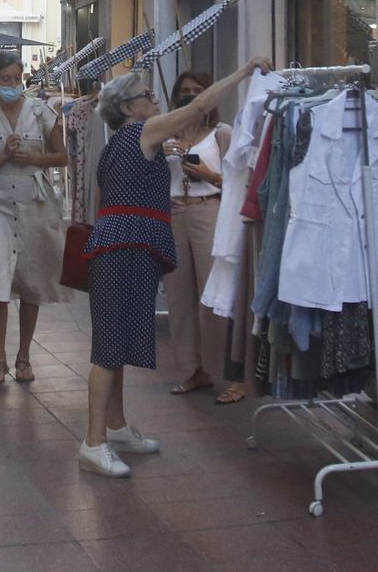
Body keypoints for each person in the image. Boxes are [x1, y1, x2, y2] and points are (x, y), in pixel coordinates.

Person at [77, 58, 272, 478]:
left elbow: (106, 197)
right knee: (109, 347)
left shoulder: (119, 145)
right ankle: (93, 442)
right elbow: (199, 105)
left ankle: (116, 427)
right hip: (126, 247)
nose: (155, 100)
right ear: (129, 108)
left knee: (118, 342)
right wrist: (241, 73)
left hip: (121, 245)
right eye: (147, 96)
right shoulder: (143, 133)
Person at [0, 52, 70, 386]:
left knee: (30, 280)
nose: (12, 85)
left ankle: (24, 355)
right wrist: (3, 157)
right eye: (6, 79)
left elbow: (63, 156)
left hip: (33, 202)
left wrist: (35, 158)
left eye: (17, 78)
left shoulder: (40, 112)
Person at [160, 71, 245, 403]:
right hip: (174, 215)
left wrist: (209, 175)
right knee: (180, 297)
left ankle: (234, 374)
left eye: (197, 91)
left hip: (209, 210)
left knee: (217, 293)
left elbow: (241, 180)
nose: (190, 96)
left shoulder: (221, 133)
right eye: (184, 91)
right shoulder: (166, 132)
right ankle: (193, 370)